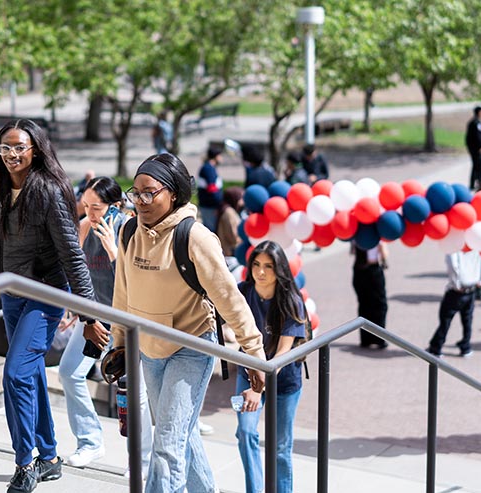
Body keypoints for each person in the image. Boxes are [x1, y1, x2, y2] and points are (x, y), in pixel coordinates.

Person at [98, 153, 267, 492]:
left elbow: (229, 298)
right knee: (180, 436)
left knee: (167, 446)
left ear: (172, 194)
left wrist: (254, 352)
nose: (141, 201)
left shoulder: (195, 237)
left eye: (150, 193)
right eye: (137, 193)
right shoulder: (129, 231)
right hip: (147, 347)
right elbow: (123, 291)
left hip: (191, 347)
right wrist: (118, 342)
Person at [0, 119, 105, 493]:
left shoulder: (48, 191)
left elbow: (72, 255)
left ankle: (25, 461)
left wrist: (88, 314)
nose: (12, 155)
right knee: (29, 373)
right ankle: (49, 456)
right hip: (10, 290)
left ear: (36, 149)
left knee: (15, 374)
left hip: (44, 293)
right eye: (5, 148)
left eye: (20, 147)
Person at [56, 176, 154, 475]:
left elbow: (136, 280)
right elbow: (78, 272)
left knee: (133, 392)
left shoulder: (127, 227)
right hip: (94, 318)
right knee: (69, 372)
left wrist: (113, 251)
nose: (90, 213)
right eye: (85, 206)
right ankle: (90, 441)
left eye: (96, 207)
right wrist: (73, 309)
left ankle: (141, 459)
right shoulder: (86, 226)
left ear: (114, 205)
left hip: (124, 320)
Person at [234, 240, 306, 493]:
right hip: (248, 375)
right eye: (256, 264)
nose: (261, 272)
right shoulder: (242, 292)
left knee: (281, 448)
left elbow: (283, 353)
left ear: (280, 269)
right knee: (245, 432)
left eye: (268, 266)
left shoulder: (291, 300)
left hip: (284, 381)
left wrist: (258, 389)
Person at [426, 250, 481, 358]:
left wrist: (456, 283)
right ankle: (465, 346)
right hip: (472, 286)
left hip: (458, 289)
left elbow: (452, 263)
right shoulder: (476, 241)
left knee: (445, 318)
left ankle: (436, 347)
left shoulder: (455, 244)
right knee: (467, 319)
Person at [352, 242, 389, 349]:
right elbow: (383, 250)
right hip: (373, 270)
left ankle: (365, 339)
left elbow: (353, 251)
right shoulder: (376, 234)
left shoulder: (357, 235)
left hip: (358, 269)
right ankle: (379, 338)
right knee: (380, 305)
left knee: (364, 305)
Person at [197, 147, 224, 233]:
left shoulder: (208, 167)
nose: (222, 158)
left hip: (208, 205)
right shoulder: (209, 169)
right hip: (210, 206)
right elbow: (212, 188)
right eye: (220, 156)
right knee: (210, 231)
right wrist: (218, 204)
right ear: (216, 157)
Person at [217, 186, 244, 257]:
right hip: (229, 251)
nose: (242, 201)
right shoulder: (229, 213)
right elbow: (233, 236)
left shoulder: (227, 209)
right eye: (240, 198)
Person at [465, 106, 481, 190]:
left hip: (474, 149)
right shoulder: (476, 123)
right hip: (476, 149)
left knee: (476, 166)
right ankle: (477, 183)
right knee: (478, 166)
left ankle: (474, 183)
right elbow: (477, 137)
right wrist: (479, 147)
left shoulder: (474, 122)